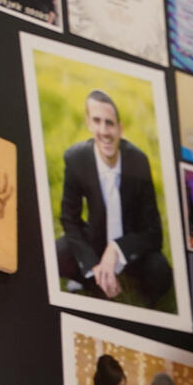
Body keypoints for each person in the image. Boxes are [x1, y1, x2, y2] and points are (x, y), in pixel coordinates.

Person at [55, 90, 173, 307]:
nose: (103, 131)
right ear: (88, 123)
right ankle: (92, 280)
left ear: (120, 128)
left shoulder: (138, 161)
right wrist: (92, 265)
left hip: (128, 249)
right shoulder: (76, 159)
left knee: (161, 273)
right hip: (95, 242)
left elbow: (154, 234)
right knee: (58, 253)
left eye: (109, 123)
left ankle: (129, 286)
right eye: (97, 121)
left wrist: (117, 249)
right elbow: (69, 219)